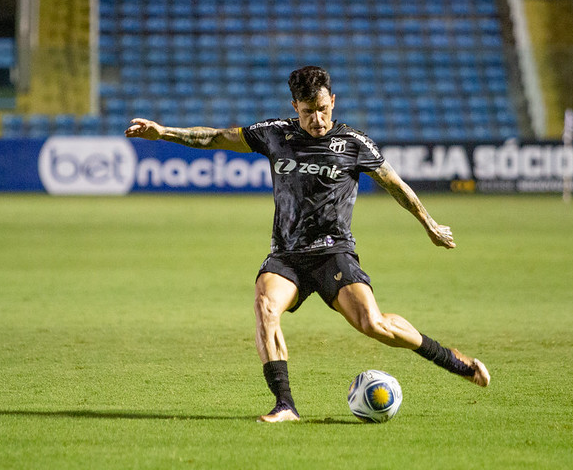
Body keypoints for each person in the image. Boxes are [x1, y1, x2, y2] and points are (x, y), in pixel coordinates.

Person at [125, 65, 489, 423]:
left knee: (373, 324)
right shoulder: (275, 134)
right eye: (307, 111)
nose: (316, 118)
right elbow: (215, 137)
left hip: (333, 252)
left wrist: (430, 224)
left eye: (322, 109)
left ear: (332, 100)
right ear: (294, 107)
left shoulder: (353, 143)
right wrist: (163, 132)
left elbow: (396, 185)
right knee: (265, 306)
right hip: (287, 255)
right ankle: (285, 405)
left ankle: (453, 360)